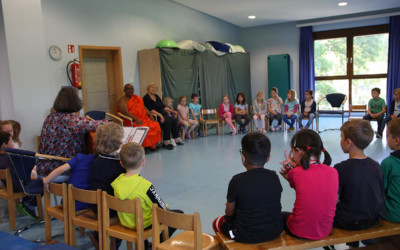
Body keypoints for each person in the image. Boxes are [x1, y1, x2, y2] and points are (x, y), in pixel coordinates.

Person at [213, 132, 283, 243]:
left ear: (243, 157)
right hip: (274, 231)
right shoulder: (274, 177)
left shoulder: (236, 180)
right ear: (268, 158)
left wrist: (231, 207)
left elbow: (229, 213)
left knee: (217, 222)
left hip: (244, 235)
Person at [112, 142, 183, 249]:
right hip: (143, 223)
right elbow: (161, 207)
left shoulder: (117, 183)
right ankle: (156, 245)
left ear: (121, 163)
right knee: (179, 215)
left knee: (143, 209)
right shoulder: (145, 186)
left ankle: (145, 245)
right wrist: (166, 206)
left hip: (126, 221)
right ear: (143, 162)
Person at [279, 129, 338, 241]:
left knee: (280, 215)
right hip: (325, 229)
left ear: (298, 151)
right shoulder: (333, 171)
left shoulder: (295, 173)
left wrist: (291, 172)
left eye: (293, 152)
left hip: (299, 230)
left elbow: (302, 187)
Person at [333, 120, 384, 248]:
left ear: (348, 142)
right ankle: (365, 242)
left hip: (348, 221)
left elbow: (333, 199)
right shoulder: (376, 165)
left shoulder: (340, 168)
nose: (341, 141)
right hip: (374, 218)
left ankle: (350, 245)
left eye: (341, 138)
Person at [37, 87, 106, 176]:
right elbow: (103, 124)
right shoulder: (73, 120)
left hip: (43, 168)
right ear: (75, 102)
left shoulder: (50, 117)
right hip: (62, 169)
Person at [0, 131, 38, 219]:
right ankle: (28, 205)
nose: (12, 143)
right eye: (10, 141)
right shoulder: (9, 159)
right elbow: (17, 176)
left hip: (7, 185)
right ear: (4, 144)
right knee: (41, 182)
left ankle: (26, 202)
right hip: (17, 186)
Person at [117, 83, 162, 153]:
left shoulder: (136, 98)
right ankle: (144, 147)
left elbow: (144, 108)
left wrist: (150, 115)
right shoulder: (122, 100)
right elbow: (126, 113)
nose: (130, 90)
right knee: (144, 128)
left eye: (131, 89)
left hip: (143, 119)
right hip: (131, 121)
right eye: (128, 89)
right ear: (124, 90)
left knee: (155, 124)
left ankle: (151, 145)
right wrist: (136, 119)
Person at [143, 83, 184, 150]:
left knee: (174, 120)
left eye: (155, 88)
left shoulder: (156, 96)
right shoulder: (146, 98)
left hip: (162, 114)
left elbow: (163, 107)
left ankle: (176, 139)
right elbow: (150, 109)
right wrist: (160, 115)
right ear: (148, 88)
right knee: (168, 122)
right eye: (152, 87)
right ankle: (166, 142)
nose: (154, 89)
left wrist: (172, 111)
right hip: (155, 115)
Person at [381, 118, 400, 222]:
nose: (386, 138)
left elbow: (380, 190)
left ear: (397, 140)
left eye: (387, 136)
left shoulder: (388, 163)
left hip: (394, 214)